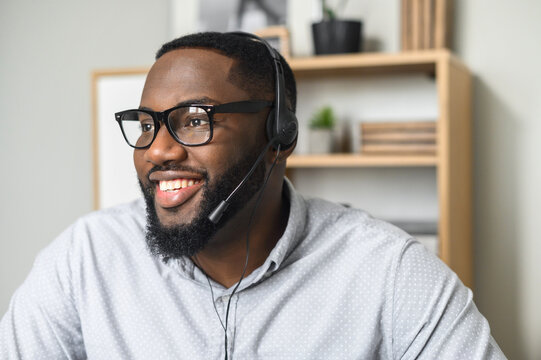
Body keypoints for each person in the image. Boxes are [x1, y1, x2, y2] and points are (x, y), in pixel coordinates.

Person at [0, 32, 506, 359]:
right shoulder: (83, 259)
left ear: (279, 136)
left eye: (196, 121)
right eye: (148, 125)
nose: (157, 152)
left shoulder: (390, 273)